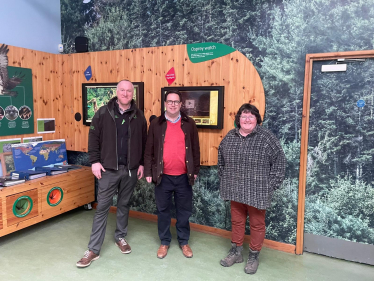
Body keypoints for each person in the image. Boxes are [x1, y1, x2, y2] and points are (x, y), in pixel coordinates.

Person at [76, 80, 147, 268]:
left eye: (129, 91)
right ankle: (93, 249)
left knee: (124, 204)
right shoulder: (102, 113)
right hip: (107, 170)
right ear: (116, 93)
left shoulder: (139, 116)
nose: (125, 93)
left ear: (133, 93)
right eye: (122, 90)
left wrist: (141, 164)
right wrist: (95, 162)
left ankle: (120, 237)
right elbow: (93, 138)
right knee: (102, 208)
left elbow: (144, 142)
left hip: (130, 170)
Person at [218, 103, 286, 274]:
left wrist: (270, 185)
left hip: (258, 191)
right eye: (243, 116)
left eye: (251, 116)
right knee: (237, 221)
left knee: (256, 225)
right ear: (238, 119)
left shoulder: (267, 137)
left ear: (257, 119)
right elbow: (221, 160)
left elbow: (280, 161)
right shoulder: (230, 137)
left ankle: (253, 256)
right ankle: (236, 253)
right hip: (235, 189)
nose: (247, 119)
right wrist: (225, 179)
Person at [144, 90, 200, 259]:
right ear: (165, 104)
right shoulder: (156, 124)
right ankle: (165, 242)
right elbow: (149, 150)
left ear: (181, 104)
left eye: (176, 102)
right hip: (163, 176)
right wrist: (148, 172)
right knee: (163, 211)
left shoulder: (189, 123)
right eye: (170, 101)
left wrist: (195, 171)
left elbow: (196, 149)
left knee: (184, 211)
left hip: (184, 176)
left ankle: (184, 242)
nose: (173, 104)